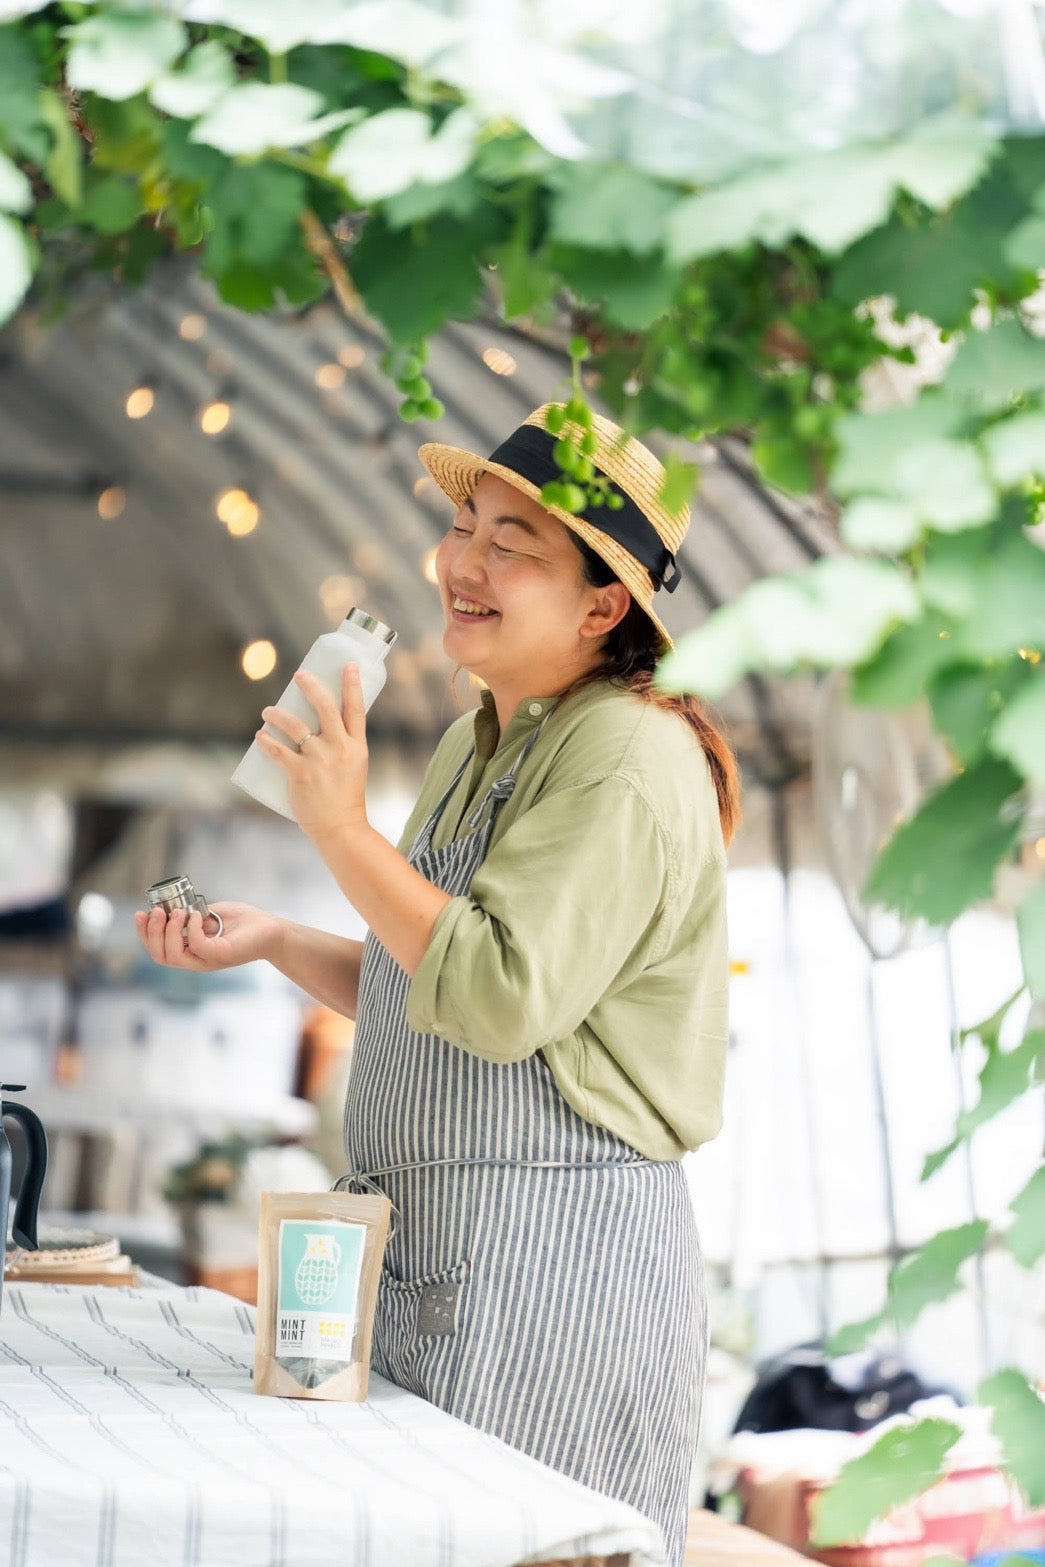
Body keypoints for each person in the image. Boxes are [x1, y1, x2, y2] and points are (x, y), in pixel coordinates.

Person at [136, 402, 740, 1566]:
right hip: (446, 1258)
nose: (463, 561)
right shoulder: (478, 742)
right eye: (465, 526)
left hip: (556, 1276)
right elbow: (428, 976)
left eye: (513, 544)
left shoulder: (627, 751)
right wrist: (277, 940)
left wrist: (339, 827)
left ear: (602, 606)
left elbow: (499, 997)